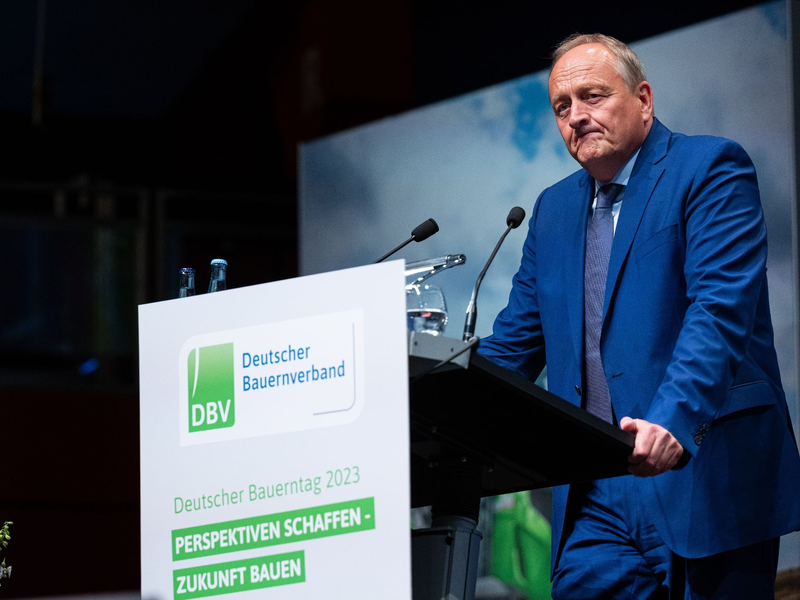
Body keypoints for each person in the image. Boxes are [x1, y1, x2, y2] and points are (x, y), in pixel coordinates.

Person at [478, 33, 800, 599]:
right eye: (561, 106)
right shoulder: (553, 211)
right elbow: (511, 348)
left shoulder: (710, 168)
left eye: (593, 96)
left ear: (643, 100)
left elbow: (718, 311)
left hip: (702, 467)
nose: (576, 116)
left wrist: (674, 420)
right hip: (594, 500)